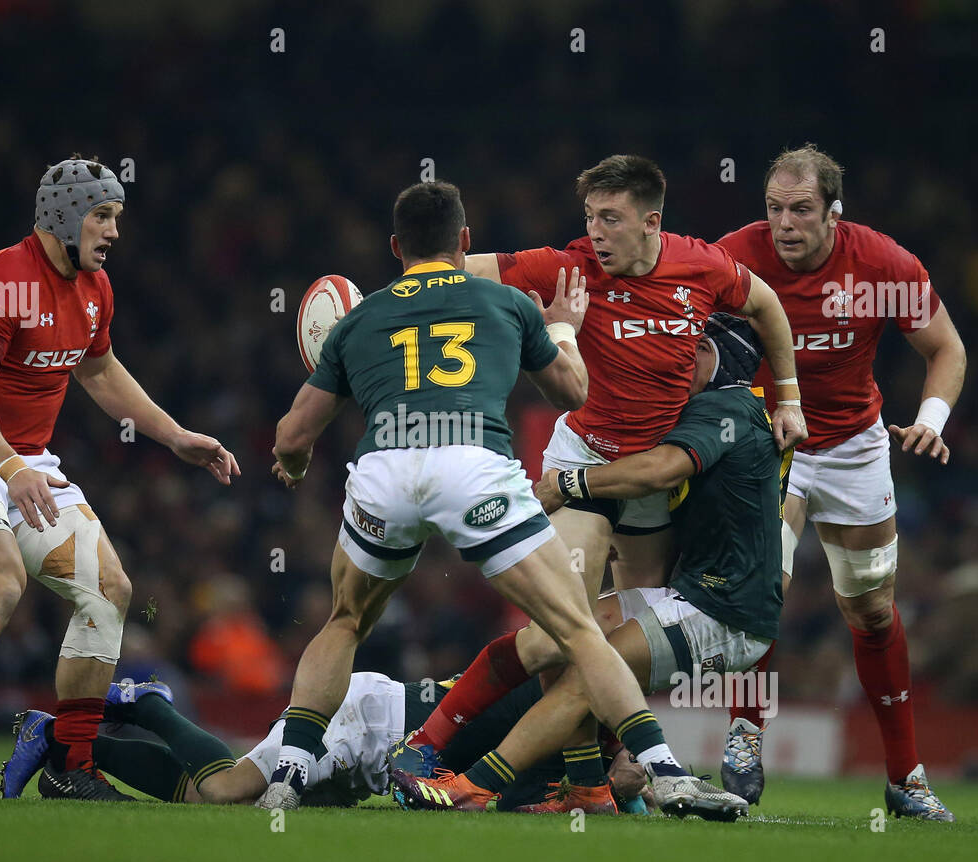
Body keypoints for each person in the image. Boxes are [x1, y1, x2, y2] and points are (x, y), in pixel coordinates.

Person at [256, 180, 677, 812]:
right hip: (472, 467)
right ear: (465, 242)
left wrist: (294, 464)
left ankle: (287, 779)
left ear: (396, 247)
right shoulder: (506, 302)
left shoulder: (359, 317)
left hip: (385, 471)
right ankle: (662, 769)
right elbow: (572, 394)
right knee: (576, 630)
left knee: (344, 621)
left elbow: (292, 433)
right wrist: (563, 329)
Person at [395, 155, 805, 774]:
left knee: (615, 644)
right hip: (580, 465)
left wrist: (791, 398)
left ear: (651, 222)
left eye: (611, 219)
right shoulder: (568, 268)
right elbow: (454, 268)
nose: (596, 233)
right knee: (558, 631)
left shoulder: (703, 265)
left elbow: (769, 305)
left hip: (649, 483)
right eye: (590, 217)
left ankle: (593, 774)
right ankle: (434, 743)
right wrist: (375, 310)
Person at [0, 156, 239, 800]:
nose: (114, 231)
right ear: (63, 216)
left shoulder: (95, 289)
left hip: (27, 461)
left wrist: (176, 436)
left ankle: (70, 765)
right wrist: (7, 466)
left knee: (111, 589)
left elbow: (101, 374)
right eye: (103, 215)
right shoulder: (3, 280)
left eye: (117, 217)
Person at [392, 315, 784, 820]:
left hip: (724, 612)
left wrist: (570, 484)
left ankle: (475, 786)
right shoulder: (737, 410)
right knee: (555, 634)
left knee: (587, 670)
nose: (675, 363)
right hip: (697, 594)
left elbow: (662, 468)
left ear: (708, 351)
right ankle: (429, 746)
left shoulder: (722, 408)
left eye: (686, 351)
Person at [715, 146, 965, 821]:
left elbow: (946, 347)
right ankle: (743, 737)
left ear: (833, 212)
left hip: (857, 445)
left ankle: (903, 777)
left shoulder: (883, 264)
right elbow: (685, 340)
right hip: (771, 441)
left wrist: (932, 418)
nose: (784, 223)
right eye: (773, 208)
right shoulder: (733, 259)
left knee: (873, 612)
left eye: (800, 209)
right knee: (764, 589)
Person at [0, 677, 653, 813]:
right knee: (223, 790)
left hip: (373, 765)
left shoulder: (574, 735)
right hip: (363, 719)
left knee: (206, 793)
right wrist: (622, 797)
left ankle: (64, 741)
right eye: (633, 751)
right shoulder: (550, 716)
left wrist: (628, 798)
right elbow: (498, 798)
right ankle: (145, 702)